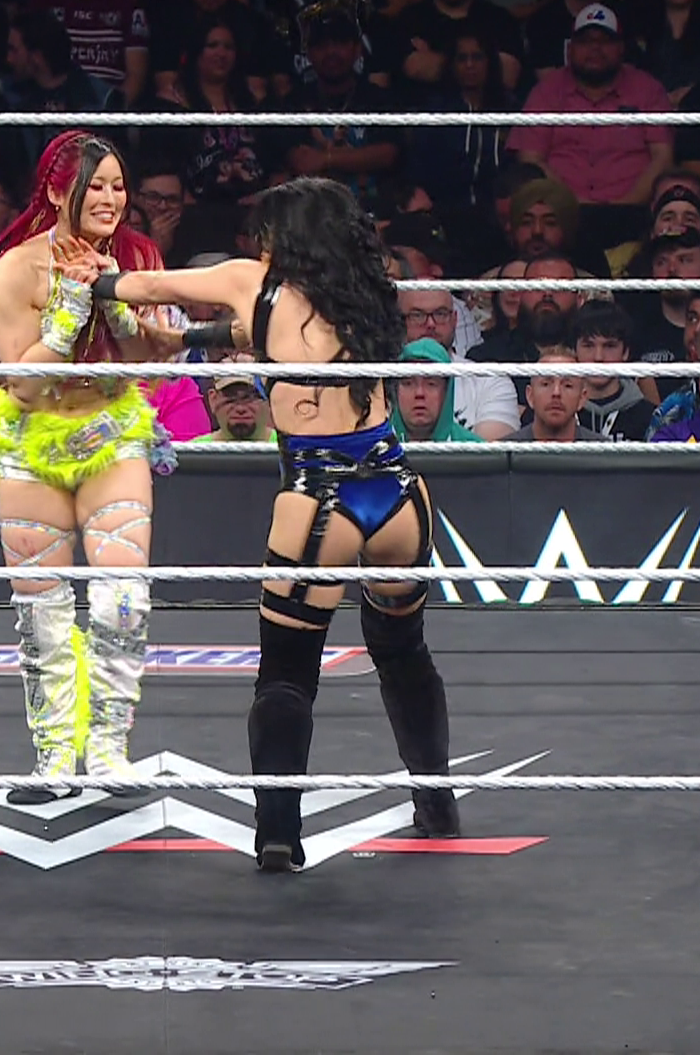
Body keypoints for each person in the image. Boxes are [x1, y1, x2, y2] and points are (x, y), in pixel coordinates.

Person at [85, 176, 460, 873]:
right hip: (399, 493)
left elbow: (143, 286)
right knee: (404, 651)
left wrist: (92, 275)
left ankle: (278, 834)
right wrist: (187, 337)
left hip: (319, 498)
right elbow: (259, 335)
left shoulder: (251, 281)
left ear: (282, 237)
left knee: (287, 672)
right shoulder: (369, 292)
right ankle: (437, 802)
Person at [0, 130, 175, 806]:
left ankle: (109, 751)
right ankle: (55, 757)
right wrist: (70, 311)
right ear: (57, 192)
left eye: (119, 185)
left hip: (111, 432)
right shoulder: (16, 270)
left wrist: (118, 303)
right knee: (42, 610)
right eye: (97, 185)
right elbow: (24, 385)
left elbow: (155, 361)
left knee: (121, 597)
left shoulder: (139, 257)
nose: (111, 199)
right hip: (32, 442)